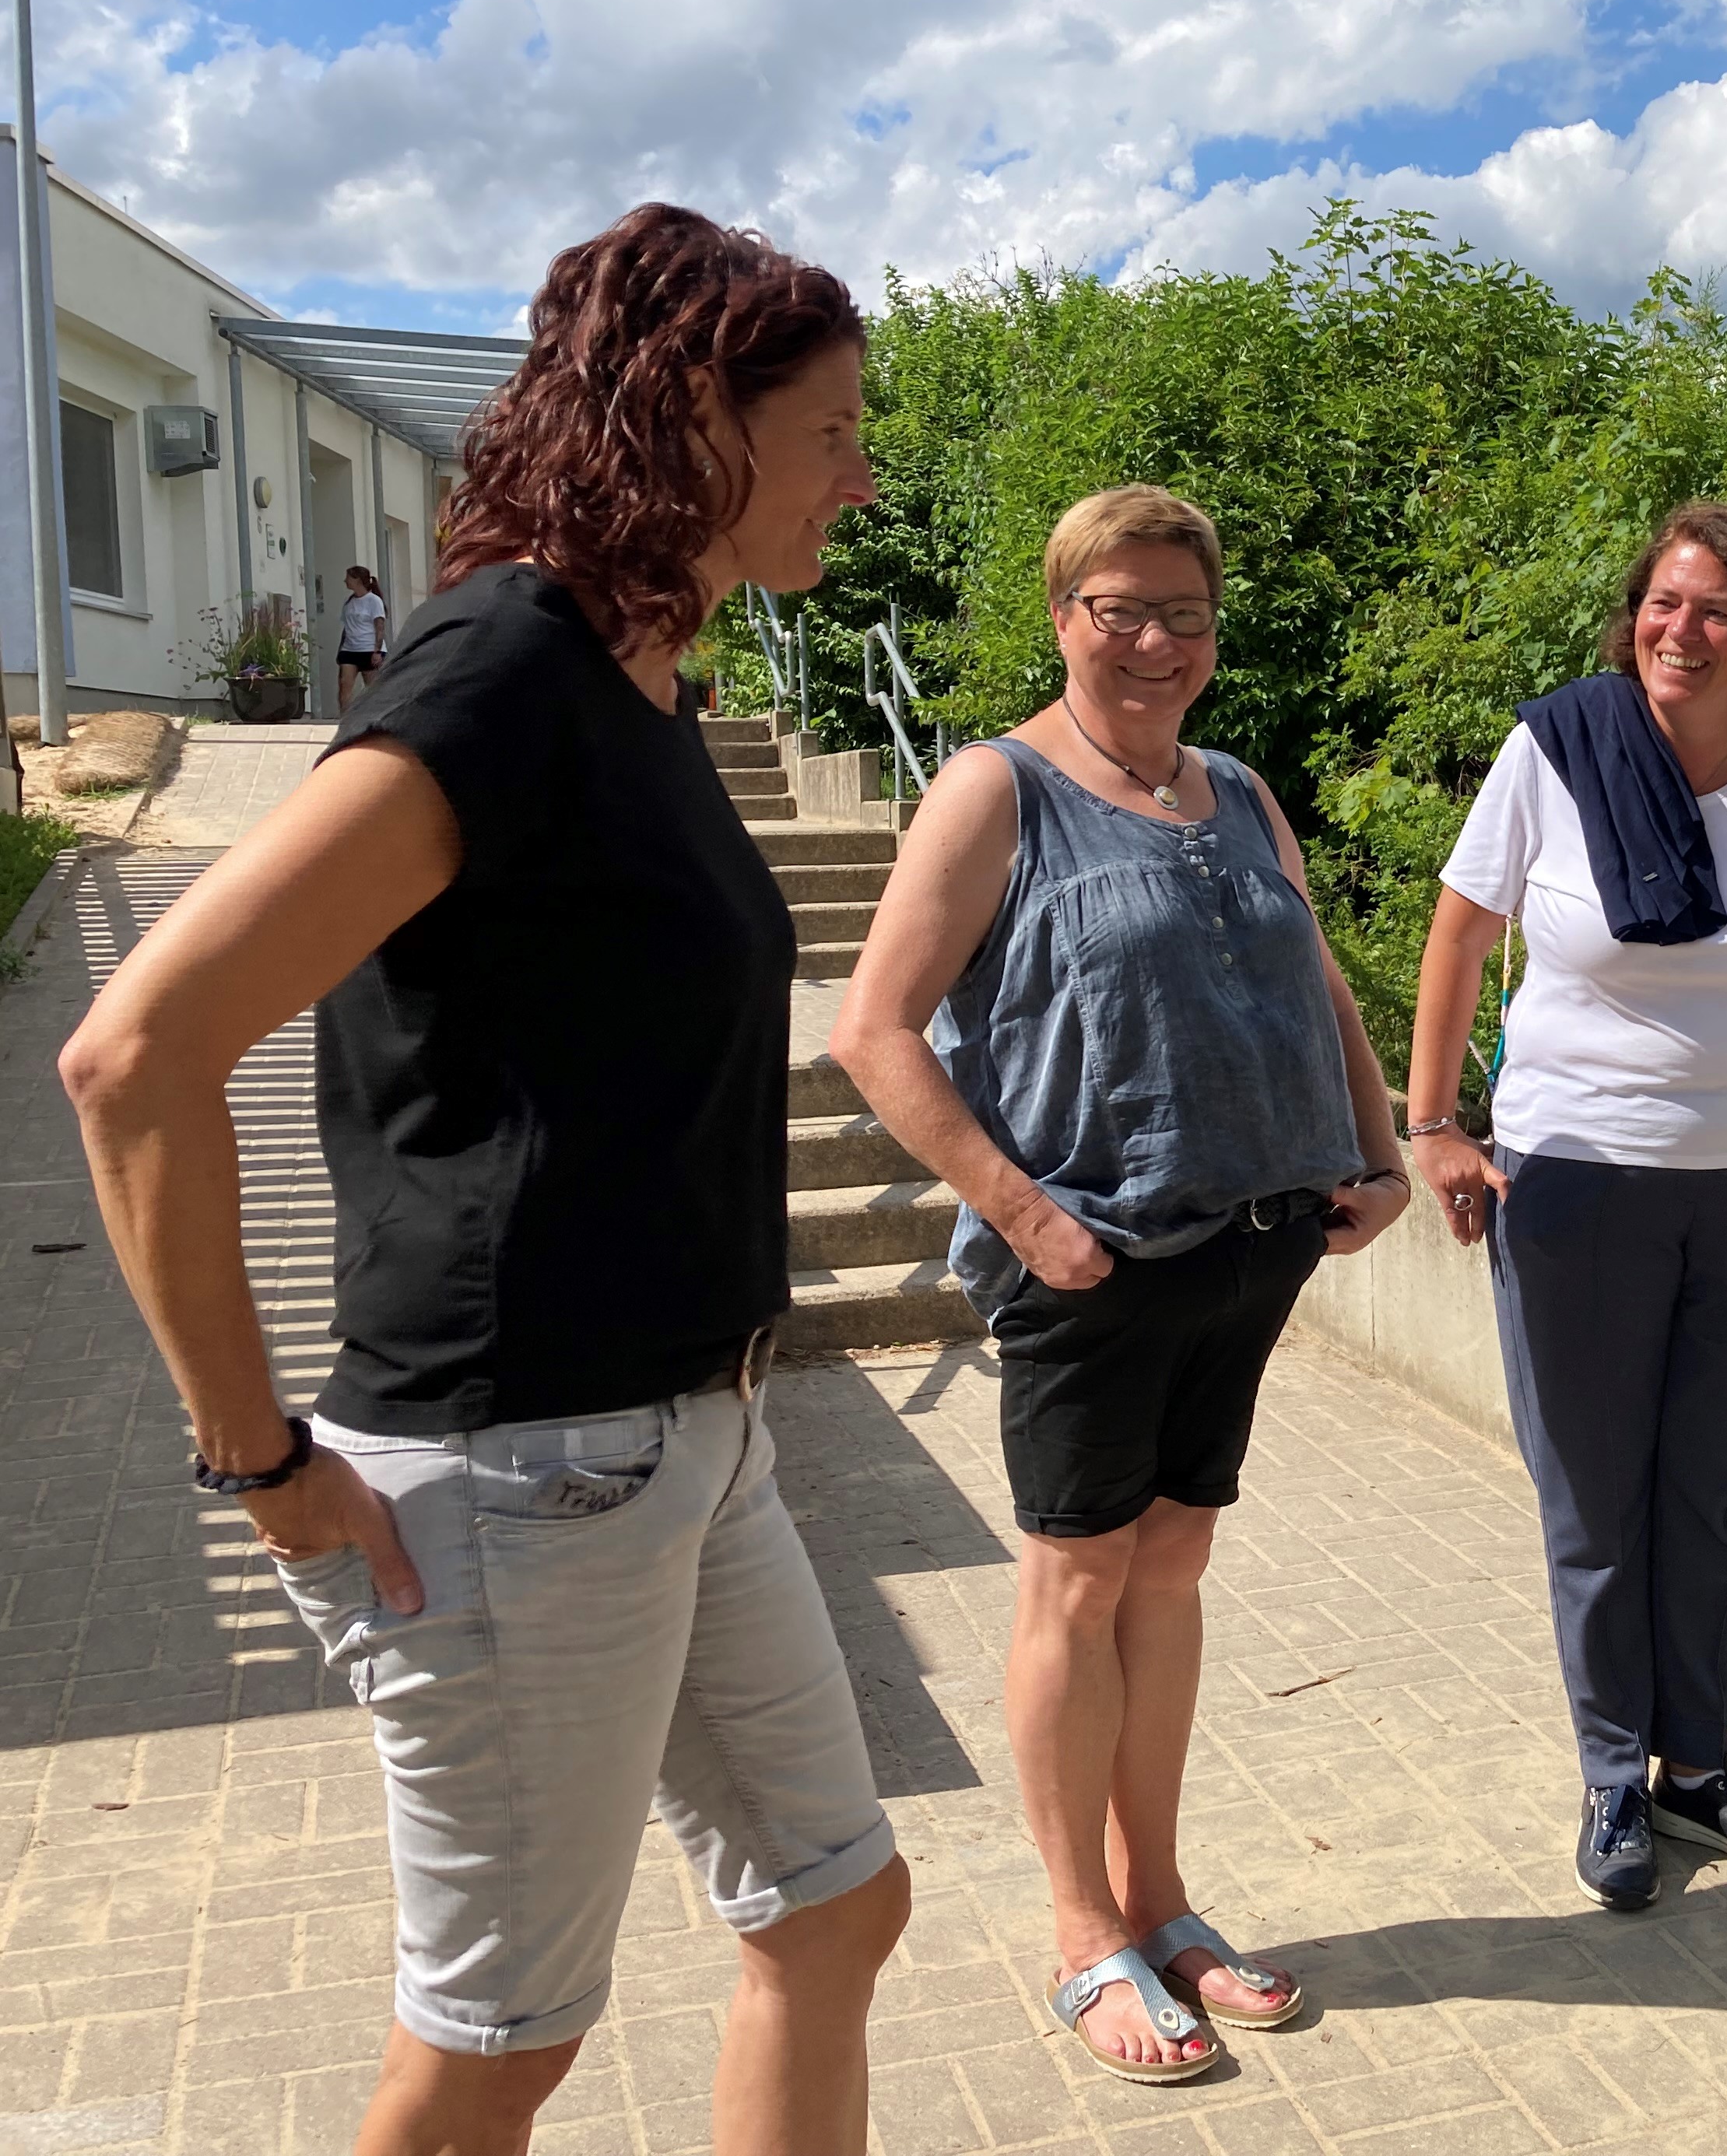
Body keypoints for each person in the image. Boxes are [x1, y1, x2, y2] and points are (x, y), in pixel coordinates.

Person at [60, 204, 907, 2156]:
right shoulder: (505, 662)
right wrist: (256, 1459)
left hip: (695, 1435)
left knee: (841, 1908)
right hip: (528, 1473)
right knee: (495, 2052)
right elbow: (135, 1052)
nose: (863, 480)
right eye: (835, 432)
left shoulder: (647, 686)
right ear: (699, 413)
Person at [830, 484, 1407, 2085]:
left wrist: (1376, 1150)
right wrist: (1023, 1217)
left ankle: (1162, 1904)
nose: (1154, 643)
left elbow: (1319, 980)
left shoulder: (1237, 791)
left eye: (1184, 616)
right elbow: (873, 1030)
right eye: (1119, 611)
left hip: (1249, 1247)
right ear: (1062, 613)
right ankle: (1083, 1931)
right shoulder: (994, 792)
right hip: (1088, 1258)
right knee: (1076, 1589)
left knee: (1169, 1575)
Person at [1402, 501, 1727, 1912]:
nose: (1680, 630)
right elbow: (1460, 926)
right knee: (1598, 1493)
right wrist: (1433, 1122)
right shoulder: (1555, 747)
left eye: (1716, 611)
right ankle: (1614, 1764)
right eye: (1664, 603)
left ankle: (1701, 1760)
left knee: (1718, 1487)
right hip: (1580, 1174)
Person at [337, 564, 390, 706]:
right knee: (344, 685)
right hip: (350, 649)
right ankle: (346, 721)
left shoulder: (374, 601)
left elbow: (379, 627)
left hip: (369, 649)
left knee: (373, 689)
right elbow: (346, 627)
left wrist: (377, 651)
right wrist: (341, 649)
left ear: (357, 580)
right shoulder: (349, 602)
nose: (345, 581)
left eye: (348, 578)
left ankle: (374, 719)